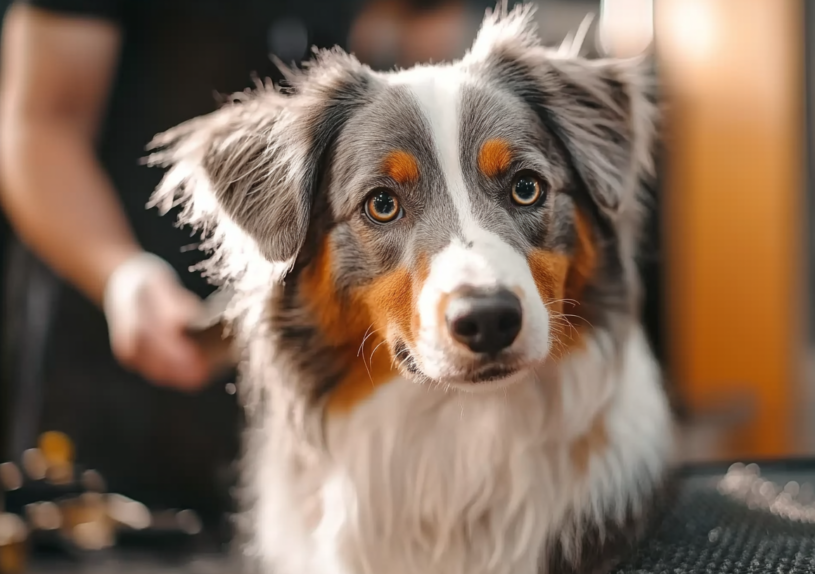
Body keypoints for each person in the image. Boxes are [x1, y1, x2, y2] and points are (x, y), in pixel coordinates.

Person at [0, 0, 496, 523]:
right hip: (108, 361)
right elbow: (38, 127)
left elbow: (423, 75)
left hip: (306, 394)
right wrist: (122, 276)